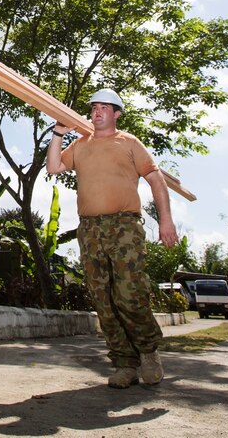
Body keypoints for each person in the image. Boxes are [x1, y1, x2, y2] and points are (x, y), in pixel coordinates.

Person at [46, 88, 179, 389]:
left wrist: (166, 220)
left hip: (124, 226)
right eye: (94, 107)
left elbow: (156, 179)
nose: (97, 112)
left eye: (105, 108)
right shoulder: (80, 144)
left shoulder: (129, 142)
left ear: (117, 113)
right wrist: (58, 132)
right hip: (90, 229)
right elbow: (53, 167)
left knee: (130, 294)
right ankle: (123, 363)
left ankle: (148, 352)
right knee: (102, 299)